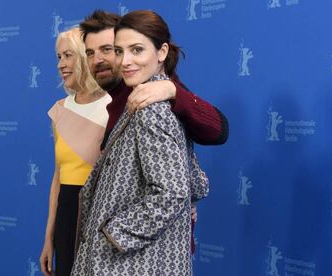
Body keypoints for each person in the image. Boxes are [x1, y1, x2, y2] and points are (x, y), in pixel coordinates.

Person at [71, 10, 209, 275]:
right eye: (120, 51)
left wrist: (115, 234)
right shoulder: (143, 100)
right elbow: (194, 181)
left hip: (131, 264)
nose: (125, 61)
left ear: (161, 52)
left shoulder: (151, 107)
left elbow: (172, 193)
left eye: (136, 50)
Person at [79, 10, 229, 150]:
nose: (97, 60)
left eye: (107, 49)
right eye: (90, 53)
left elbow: (218, 131)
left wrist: (173, 91)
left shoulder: (154, 93)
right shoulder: (117, 97)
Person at [39, 27, 111, 276]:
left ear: (84, 56)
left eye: (68, 55)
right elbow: (58, 178)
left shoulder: (113, 106)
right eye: (59, 57)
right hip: (66, 216)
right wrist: (50, 237)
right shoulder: (59, 110)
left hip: (101, 215)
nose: (61, 64)